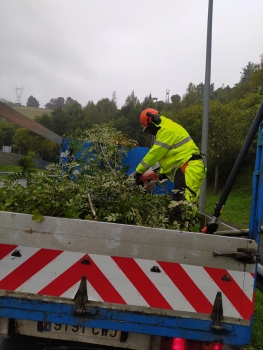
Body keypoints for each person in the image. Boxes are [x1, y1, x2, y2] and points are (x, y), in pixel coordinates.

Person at [134, 108, 206, 227]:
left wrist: (138, 172)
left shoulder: (166, 130)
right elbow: (170, 159)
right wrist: (160, 174)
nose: (149, 132)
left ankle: (179, 234)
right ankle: (185, 231)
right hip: (188, 166)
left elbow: (156, 153)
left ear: (153, 119)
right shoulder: (167, 128)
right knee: (186, 202)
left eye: (148, 128)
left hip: (189, 166)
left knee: (182, 203)